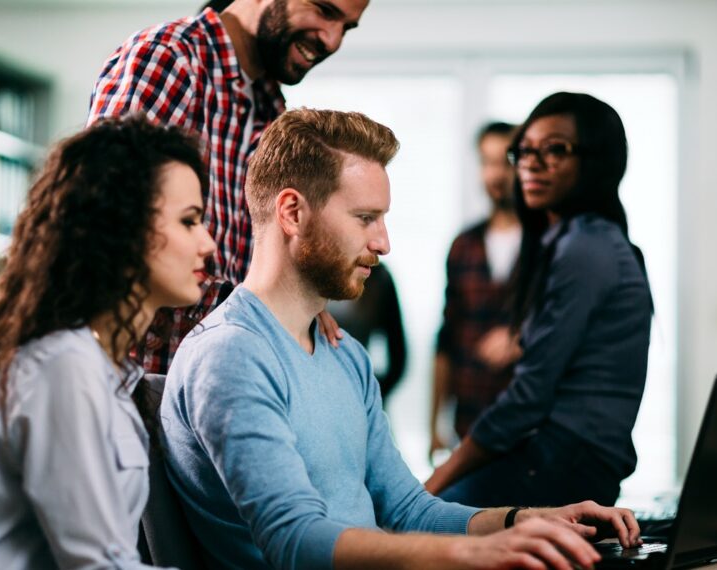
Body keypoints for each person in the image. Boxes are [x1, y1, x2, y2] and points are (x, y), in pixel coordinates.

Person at [162, 108, 641, 570]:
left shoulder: (345, 356)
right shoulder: (231, 355)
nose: (383, 243)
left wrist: (526, 520)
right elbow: (295, 541)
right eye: (365, 218)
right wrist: (476, 556)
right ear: (292, 212)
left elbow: (411, 511)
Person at [0, 115, 216, 569]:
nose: (208, 244)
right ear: (122, 227)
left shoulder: (108, 372)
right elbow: (97, 564)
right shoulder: (64, 368)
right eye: (190, 222)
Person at [87, 0, 368, 374]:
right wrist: (266, 308)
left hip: (217, 379)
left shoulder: (272, 110)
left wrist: (302, 301)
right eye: (324, 11)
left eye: (346, 28)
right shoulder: (170, 60)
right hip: (137, 381)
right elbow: (109, 229)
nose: (332, 41)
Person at [425, 92, 653, 508]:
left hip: (560, 464)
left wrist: (434, 483)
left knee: (414, 525)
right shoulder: (566, 241)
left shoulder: (585, 246)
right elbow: (447, 338)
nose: (531, 163)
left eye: (555, 150)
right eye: (524, 152)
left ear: (596, 160)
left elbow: (529, 395)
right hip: (552, 458)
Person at [430, 121, 523, 460]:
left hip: (526, 429)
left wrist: (522, 337)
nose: (496, 175)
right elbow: (446, 338)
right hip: (468, 424)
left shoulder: (551, 246)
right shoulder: (464, 245)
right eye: (487, 162)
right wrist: (433, 426)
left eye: (506, 162)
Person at [327, 261, 407, 399]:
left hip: (358, 398)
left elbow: (398, 357)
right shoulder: (309, 272)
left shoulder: (378, 278)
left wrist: (369, 397)